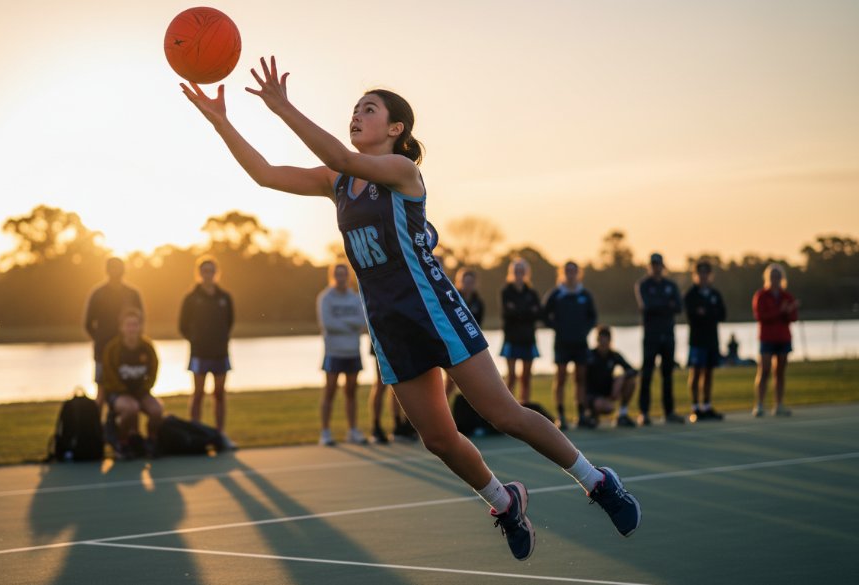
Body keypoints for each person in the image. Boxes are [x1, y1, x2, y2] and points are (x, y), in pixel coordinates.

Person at [180, 58, 640, 561]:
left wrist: (282, 106)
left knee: (504, 413)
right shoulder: (336, 181)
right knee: (439, 439)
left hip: (433, 310)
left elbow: (341, 154)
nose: (356, 115)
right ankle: (503, 501)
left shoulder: (402, 171)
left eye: (368, 109)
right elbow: (266, 175)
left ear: (395, 129)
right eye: (354, 109)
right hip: (388, 324)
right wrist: (220, 120)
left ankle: (598, 482)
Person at [179, 255, 235, 446]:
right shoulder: (191, 298)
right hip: (199, 353)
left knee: (219, 394)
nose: (208, 274)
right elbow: (182, 325)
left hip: (220, 352)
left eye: (211, 271)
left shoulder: (224, 297)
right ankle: (195, 434)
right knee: (198, 393)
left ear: (216, 273)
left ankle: (220, 435)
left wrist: (219, 339)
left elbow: (229, 322)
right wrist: (196, 340)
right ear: (199, 273)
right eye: (204, 271)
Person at [99, 307, 164, 458]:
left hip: (140, 392)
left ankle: (151, 441)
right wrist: (124, 392)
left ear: (140, 326)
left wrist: (144, 389)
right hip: (118, 394)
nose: (132, 328)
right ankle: (122, 443)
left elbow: (153, 372)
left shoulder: (147, 347)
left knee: (157, 410)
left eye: (135, 324)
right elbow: (108, 377)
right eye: (128, 325)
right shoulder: (112, 349)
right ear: (121, 327)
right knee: (131, 408)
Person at [542, 261, 598, 430]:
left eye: (573, 271)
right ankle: (561, 416)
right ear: (563, 272)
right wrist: (557, 327)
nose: (570, 273)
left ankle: (581, 414)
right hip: (562, 343)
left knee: (580, 379)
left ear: (578, 273)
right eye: (567, 271)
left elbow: (593, 317)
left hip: (580, 343)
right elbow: (544, 314)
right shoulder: (556, 293)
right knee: (560, 379)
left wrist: (584, 330)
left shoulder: (585, 294)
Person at [317, 262, 368, 446]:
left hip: (353, 351)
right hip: (333, 352)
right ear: (333, 276)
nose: (341, 278)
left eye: (343, 274)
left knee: (351, 393)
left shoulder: (355, 298)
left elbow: (362, 321)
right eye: (337, 274)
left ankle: (353, 430)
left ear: (348, 276)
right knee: (329, 392)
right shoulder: (326, 298)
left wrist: (344, 323)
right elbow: (328, 324)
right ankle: (325, 432)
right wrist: (350, 324)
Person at [84, 257, 143, 405]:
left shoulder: (132, 294)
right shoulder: (98, 293)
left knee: (128, 389)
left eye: (119, 268)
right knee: (101, 391)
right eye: (112, 268)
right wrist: (99, 337)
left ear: (124, 270)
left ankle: (125, 426)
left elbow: (140, 320)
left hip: (128, 351)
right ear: (106, 270)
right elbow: (88, 323)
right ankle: (97, 426)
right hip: (102, 349)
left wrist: (132, 340)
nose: (115, 271)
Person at [634, 253, 683, 425]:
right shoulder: (643, 285)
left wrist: (660, 305)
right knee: (647, 374)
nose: (656, 267)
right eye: (653, 264)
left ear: (663, 266)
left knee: (667, 375)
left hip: (668, 335)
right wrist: (665, 304)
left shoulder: (671, 285)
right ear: (650, 266)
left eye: (659, 264)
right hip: (651, 336)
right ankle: (644, 412)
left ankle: (669, 412)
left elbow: (678, 306)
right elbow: (646, 306)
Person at [752, 263, 798, 417]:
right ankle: (759, 404)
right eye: (772, 277)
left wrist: (788, 311)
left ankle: (779, 404)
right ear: (767, 278)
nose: (775, 279)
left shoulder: (787, 296)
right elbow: (761, 317)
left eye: (778, 277)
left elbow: (793, 317)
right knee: (764, 370)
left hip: (783, 338)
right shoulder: (761, 296)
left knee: (780, 372)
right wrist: (780, 311)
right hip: (767, 338)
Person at [683, 261, 727, 422]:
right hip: (697, 340)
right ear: (696, 275)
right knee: (695, 372)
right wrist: (708, 314)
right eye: (700, 274)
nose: (703, 277)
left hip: (712, 340)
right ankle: (695, 407)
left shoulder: (715, 294)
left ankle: (707, 406)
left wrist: (706, 313)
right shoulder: (691, 295)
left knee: (709, 373)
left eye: (706, 274)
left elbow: (722, 314)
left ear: (710, 276)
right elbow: (692, 316)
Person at [499, 259, 541, 405]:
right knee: (511, 376)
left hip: (528, 339)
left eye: (521, 271)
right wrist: (526, 311)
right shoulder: (506, 292)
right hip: (511, 338)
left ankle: (525, 405)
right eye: (516, 271)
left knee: (526, 377)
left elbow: (537, 313)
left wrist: (518, 311)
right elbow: (508, 313)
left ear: (526, 273)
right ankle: (508, 406)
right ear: (511, 273)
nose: (519, 274)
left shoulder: (532, 293)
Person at [444, 267, 484, 399]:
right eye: (465, 282)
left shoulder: (479, 302)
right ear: (459, 282)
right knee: (450, 381)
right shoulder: (452, 299)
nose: (468, 285)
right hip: (455, 344)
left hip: (472, 345)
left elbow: (479, 326)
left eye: (470, 282)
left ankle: (465, 413)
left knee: (472, 381)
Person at [585, 326, 638, 428]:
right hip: (592, 394)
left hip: (608, 391)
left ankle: (622, 414)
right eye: (600, 340)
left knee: (631, 381)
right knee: (607, 407)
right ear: (597, 340)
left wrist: (621, 379)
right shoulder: (589, 355)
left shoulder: (614, 355)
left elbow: (633, 371)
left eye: (606, 340)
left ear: (610, 341)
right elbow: (579, 379)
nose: (603, 343)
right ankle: (591, 415)